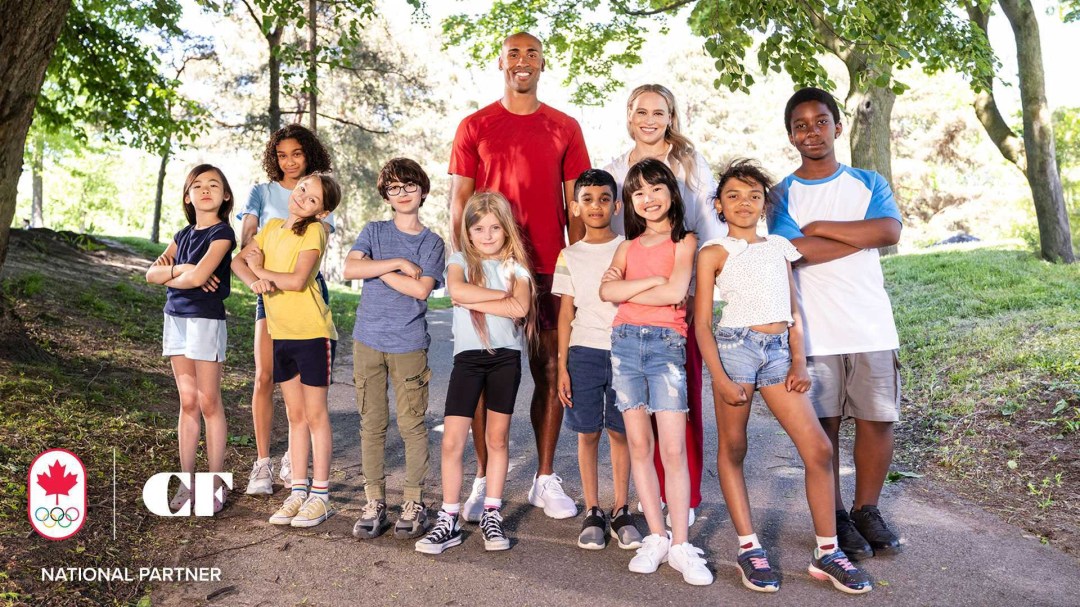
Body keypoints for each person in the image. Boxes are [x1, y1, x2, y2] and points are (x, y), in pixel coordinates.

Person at [695, 159, 872, 594]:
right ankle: (748, 546)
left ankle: (827, 552)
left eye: (754, 196)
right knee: (734, 448)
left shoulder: (779, 247)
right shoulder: (713, 253)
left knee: (818, 448)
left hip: (777, 356)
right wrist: (717, 376)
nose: (744, 203)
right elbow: (701, 323)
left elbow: (793, 309)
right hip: (735, 352)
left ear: (764, 204)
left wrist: (797, 361)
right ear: (719, 205)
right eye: (733, 196)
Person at [448, 31, 591, 521]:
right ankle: (485, 479)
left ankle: (544, 478)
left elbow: (576, 205)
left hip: (550, 266)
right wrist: (463, 262)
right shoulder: (475, 125)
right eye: (514, 54)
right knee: (488, 374)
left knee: (550, 370)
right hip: (490, 268)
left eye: (532, 54)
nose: (523, 61)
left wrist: (579, 264)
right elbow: (460, 202)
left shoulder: (565, 127)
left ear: (543, 63)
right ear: (502, 62)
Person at [767, 87, 904, 561]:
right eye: (801, 125)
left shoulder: (868, 181)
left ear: (838, 126)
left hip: (870, 325)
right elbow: (792, 252)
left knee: (876, 419)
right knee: (823, 428)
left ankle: (868, 509)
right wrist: (859, 236)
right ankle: (838, 516)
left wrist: (821, 225)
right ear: (791, 135)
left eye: (820, 121)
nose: (812, 131)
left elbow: (889, 231)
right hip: (815, 330)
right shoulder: (781, 193)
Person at [603, 84, 726, 526]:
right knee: (636, 410)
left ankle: (685, 497)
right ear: (629, 115)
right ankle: (649, 498)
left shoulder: (689, 162)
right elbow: (616, 236)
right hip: (631, 298)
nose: (650, 119)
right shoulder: (616, 169)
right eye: (641, 111)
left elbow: (710, 229)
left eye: (659, 111)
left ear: (671, 116)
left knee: (678, 403)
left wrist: (698, 289)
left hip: (681, 291)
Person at [599, 159, 711, 586]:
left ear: (671, 193)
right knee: (639, 445)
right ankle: (657, 537)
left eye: (656, 189)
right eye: (638, 192)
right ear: (630, 201)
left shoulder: (686, 240)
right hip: (624, 345)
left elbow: (676, 291)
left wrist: (641, 288)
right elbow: (606, 291)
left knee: (673, 448)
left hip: (666, 347)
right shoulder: (626, 246)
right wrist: (651, 285)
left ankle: (681, 544)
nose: (648, 198)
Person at [415, 192, 536, 554]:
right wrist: (495, 298)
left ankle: (492, 512)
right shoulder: (458, 260)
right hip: (467, 359)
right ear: (468, 232)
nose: (487, 235)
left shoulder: (517, 266)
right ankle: (448, 518)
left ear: (506, 230)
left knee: (497, 440)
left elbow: (521, 305)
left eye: (495, 228)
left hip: (505, 359)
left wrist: (471, 298)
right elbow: (455, 288)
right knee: (452, 440)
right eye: (479, 228)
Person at [231, 173, 342, 528]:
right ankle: (298, 491)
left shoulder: (315, 232)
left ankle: (321, 496)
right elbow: (237, 261)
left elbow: (296, 280)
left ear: (321, 212)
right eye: (303, 189)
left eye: (312, 199)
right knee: (294, 416)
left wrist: (261, 269)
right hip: (281, 334)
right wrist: (255, 281)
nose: (303, 197)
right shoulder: (271, 227)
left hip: (312, 335)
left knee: (315, 416)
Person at [345, 158, 445, 540]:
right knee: (371, 423)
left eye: (409, 186)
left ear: (422, 190)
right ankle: (374, 502)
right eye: (394, 188)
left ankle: (414, 501)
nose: (402, 193)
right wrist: (400, 263)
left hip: (408, 344)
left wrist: (377, 267)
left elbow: (421, 289)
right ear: (386, 195)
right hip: (367, 339)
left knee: (411, 424)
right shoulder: (374, 229)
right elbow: (350, 269)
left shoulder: (432, 242)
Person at [552, 169, 642, 551]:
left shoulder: (630, 247)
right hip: (583, 353)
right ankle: (593, 509)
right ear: (575, 206)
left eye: (604, 198)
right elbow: (564, 314)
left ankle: (621, 508)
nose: (595, 206)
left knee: (621, 432)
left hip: (623, 350)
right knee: (587, 432)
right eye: (587, 199)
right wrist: (561, 366)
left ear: (616, 205)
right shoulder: (568, 255)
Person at [145, 164, 236, 514]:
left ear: (225, 195)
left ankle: (215, 483)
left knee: (209, 400)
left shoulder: (223, 233)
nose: (206, 190)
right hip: (175, 320)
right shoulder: (182, 236)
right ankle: (186, 481)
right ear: (188, 196)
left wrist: (187, 272)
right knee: (187, 402)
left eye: (215, 184)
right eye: (198, 185)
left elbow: (200, 275)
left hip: (205, 321)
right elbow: (151, 275)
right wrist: (182, 271)